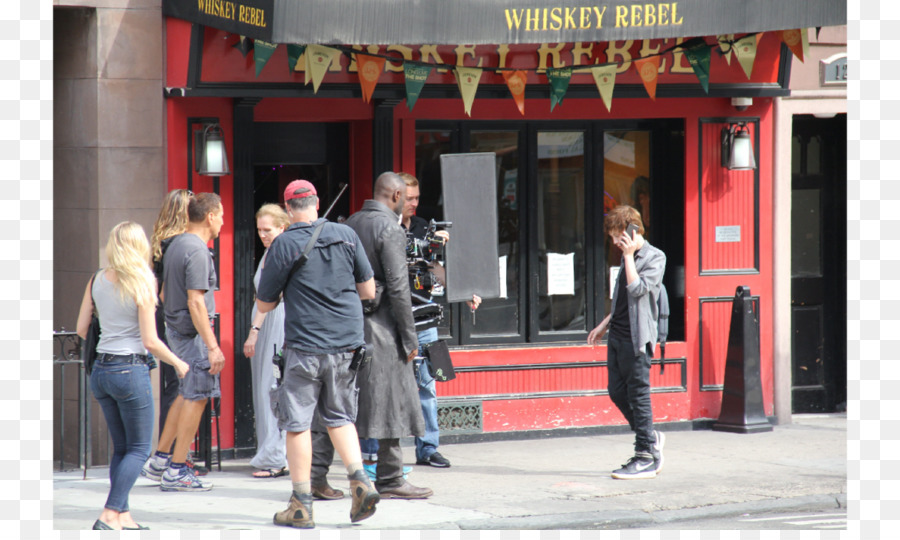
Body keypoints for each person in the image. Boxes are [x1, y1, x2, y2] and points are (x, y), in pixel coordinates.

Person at [258, 179, 379, 528]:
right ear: (316, 202)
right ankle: (360, 482)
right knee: (340, 416)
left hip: (305, 345)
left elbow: (265, 302)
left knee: (297, 424)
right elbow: (368, 290)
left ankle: (300, 504)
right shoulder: (347, 235)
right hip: (347, 343)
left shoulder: (284, 244)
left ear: (287, 208)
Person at [76, 222, 190, 530]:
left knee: (123, 448)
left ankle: (123, 515)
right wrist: (178, 363)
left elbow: (81, 329)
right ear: (139, 246)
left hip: (101, 370)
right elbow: (151, 341)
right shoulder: (143, 281)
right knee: (140, 449)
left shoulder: (96, 279)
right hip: (130, 369)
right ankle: (109, 513)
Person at [344, 171, 432, 499]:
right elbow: (398, 286)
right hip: (382, 326)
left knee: (339, 402)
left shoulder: (351, 222)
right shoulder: (389, 228)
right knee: (391, 399)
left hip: (349, 322)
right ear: (395, 196)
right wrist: (410, 339)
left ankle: (318, 476)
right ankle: (392, 477)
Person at [141, 192, 225, 492]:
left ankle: (161, 460)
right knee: (197, 395)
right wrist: (213, 346)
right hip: (191, 335)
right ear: (211, 216)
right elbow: (197, 303)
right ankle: (176, 469)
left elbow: (163, 296)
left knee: (186, 392)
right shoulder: (198, 250)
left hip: (176, 330)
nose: (223, 222)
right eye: (222, 216)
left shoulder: (174, 244)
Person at [398, 172, 481, 469]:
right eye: (408, 198)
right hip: (393, 320)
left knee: (428, 384)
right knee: (392, 387)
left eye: (417, 198)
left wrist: (463, 291)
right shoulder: (386, 227)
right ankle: (384, 452)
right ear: (394, 196)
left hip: (425, 317)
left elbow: (435, 267)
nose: (414, 203)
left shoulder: (423, 226)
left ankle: (428, 448)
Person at [587, 205, 667, 480]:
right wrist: (604, 324)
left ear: (630, 232)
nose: (613, 242)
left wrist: (630, 256)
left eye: (615, 236)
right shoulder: (626, 258)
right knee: (616, 392)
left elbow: (638, 289)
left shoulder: (655, 257)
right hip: (617, 336)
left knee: (639, 396)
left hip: (637, 339)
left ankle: (646, 455)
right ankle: (650, 436)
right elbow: (622, 300)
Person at [147, 189, 208, 477]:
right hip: (177, 318)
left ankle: (165, 456)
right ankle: (173, 458)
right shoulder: (183, 245)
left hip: (162, 315)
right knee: (183, 389)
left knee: (176, 387)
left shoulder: (162, 243)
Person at [242, 204, 291, 478]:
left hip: (274, 323)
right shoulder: (270, 252)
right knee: (265, 387)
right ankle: (272, 453)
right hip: (267, 321)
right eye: (259, 229)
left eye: (267, 229)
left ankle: (276, 456)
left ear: (282, 227)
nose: (262, 234)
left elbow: (270, 297)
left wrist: (254, 332)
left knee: (271, 387)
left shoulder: (279, 253)